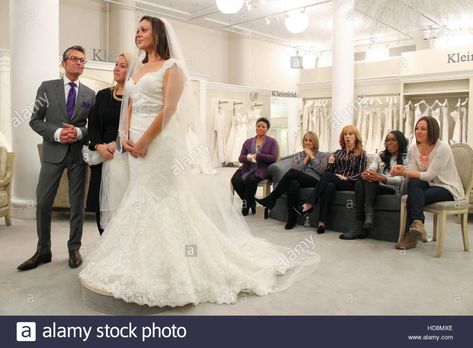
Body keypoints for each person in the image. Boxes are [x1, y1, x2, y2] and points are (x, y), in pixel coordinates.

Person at [79, 16, 319, 307]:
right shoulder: (140, 68)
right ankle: (139, 259)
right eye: (136, 30)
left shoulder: (172, 67)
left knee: (163, 197)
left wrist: (144, 141)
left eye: (143, 30)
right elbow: (131, 104)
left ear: (157, 32)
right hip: (135, 144)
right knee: (139, 195)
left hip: (160, 144)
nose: (137, 34)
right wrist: (126, 136)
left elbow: (168, 110)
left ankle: (181, 265)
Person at [18, 46, 95, 271]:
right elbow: (35, 120)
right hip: (53, 154)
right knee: (42, 202)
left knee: (77, 205)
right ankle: (43, 250)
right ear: (63, 63)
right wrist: (59, 133)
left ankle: (74, 249)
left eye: (82, 60)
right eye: (74, 59)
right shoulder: (47, 88)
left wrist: (79, 133)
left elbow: (95, 129)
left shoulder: (90, 94)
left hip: (77, 155)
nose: (78, 63)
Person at [391, 116, 464, 250]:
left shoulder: (443, 148)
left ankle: (411, 234)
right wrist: (402, 169)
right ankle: (418, 225)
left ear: (432, 130)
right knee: (413, 184)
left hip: (447, 187)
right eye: (417, 128)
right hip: (428, 184)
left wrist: (404, 172)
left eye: (423, 129)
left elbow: (430, 175)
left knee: (412, 198)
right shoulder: (413, 148)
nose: (418, 131)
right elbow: (414, 173)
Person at [86, 53, 134, 234]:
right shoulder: (103, 95)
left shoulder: (135, 97)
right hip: (102, 156)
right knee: (102, 207)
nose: (116, 68)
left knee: (124, 206)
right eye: (116, 64)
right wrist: (99, 146)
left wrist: (116, 144)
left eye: (122, 65)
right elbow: (94, 125)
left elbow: (137, 127)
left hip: (125, 157)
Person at [339, 130, 408, 240]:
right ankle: (365, 220)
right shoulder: (380, 155)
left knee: (364, 182)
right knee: (361, 181)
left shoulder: (406, 157)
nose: (389, 143)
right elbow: (372, 167)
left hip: (392, 188)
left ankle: (361, 222)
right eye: (387, 140)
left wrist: (382, 178)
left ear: (400, 142)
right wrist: (367, 173)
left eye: (393, 140)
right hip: (375, 185)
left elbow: (401, 180)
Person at [299, 125, 366, 234]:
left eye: (350, 134)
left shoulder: (361, 153)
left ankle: (309, 203)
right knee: (328, 186)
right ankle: (322, 223)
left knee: (327, 177)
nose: (347, 136)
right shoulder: (337, 153)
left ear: (356, 137)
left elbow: (360, 174)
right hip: (336, 180)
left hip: (351, 183)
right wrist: (330, 163)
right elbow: (330, 171)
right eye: (345, 134)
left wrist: (347, 177)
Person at [256, 131, 328, 230]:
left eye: (310, 141)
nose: (307, 142)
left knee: (292, 173)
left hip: (314, 180)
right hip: (300, 179)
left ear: (315, 142)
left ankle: (272, 198)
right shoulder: (298, 155)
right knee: (293, 183)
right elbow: (296, 169)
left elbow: (322, 170)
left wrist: (311, 157)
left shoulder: (323, 156)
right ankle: (292, 218)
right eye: (305, 140)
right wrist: (305, 160)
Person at [230, 117, 279, 216]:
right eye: (258, 126)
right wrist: (247, 158)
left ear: (267, 129)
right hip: (247, 167)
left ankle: (246, 206)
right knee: (235, 180)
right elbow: (240, 158)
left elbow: (274, 158)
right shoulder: (248, 142)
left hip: (262, 169)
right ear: (256, 127)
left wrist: (259, 156)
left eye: (263, 127)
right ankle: (251, 201)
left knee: (251, 180)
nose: (260, 128)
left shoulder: (272, 142)